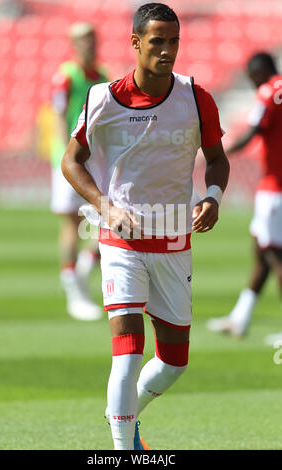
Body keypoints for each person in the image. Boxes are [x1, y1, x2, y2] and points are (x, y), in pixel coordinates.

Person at [62, 3, 229, 450]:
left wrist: (212, 196)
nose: (168, 50)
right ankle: (122, 449)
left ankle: (126, 412)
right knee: (128, 351)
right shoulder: (102, 97)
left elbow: (217, 160)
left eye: (174, 41)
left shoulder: (196, 97)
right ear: (136, 43)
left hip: (175, 241)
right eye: (158, 41)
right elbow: (71, 161)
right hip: (122, 239)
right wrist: (104, 205)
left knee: (174, 362)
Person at [207, 52, 282, 345]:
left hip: (275, 189)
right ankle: (241, 318)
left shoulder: (268, 91)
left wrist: (219, 153)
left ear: (259, 71)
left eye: (251, 77)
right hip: (276, 188)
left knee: (275, 255)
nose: (251, 83)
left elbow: (252, 130)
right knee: (261, 253)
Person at [50, 22, 107, 321]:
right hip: (71, 158)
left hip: (95, 159)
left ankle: (82, 273)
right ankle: (74, 290)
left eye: (92, 38)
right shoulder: (66, 76)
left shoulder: (103, 77)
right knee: (72, 224)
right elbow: (59, 116)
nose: (89, 45)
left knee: (106, 217)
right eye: (83, 40)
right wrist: (66, 156)